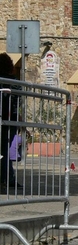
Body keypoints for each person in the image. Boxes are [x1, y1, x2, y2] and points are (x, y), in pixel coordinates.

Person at [0, 52, 20, 188]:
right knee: (4, 150)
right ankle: (8, 178)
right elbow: (18, 101)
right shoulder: (15, 83)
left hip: (6, 118)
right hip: (10, 119)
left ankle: (7, 179)